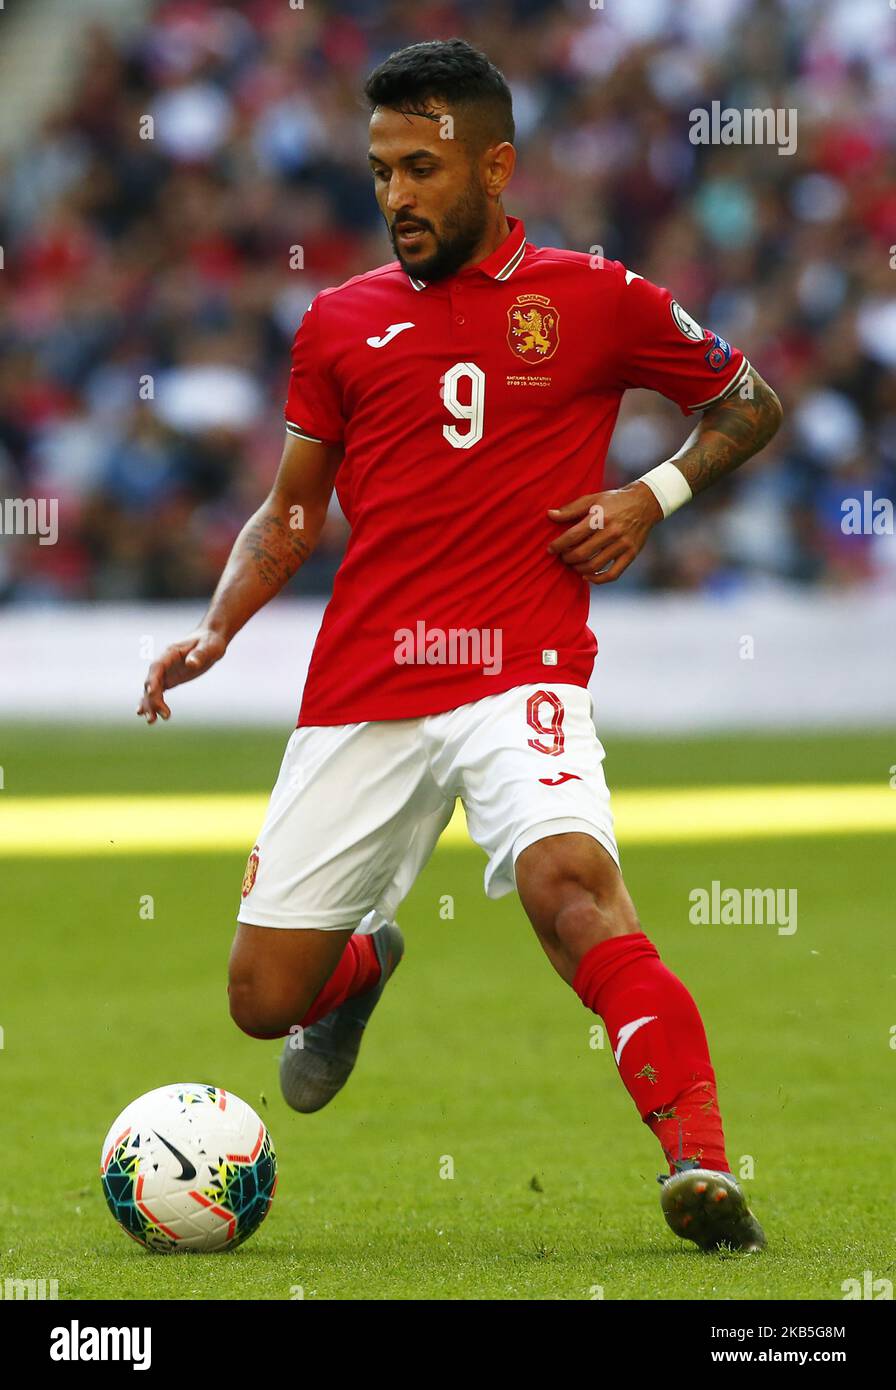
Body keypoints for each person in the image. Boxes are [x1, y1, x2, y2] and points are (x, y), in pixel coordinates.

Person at [139, 38, 782, 1253]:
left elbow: (746, 401)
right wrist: (216, 626)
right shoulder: (337, 323)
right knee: (260, 1001)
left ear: (494, 166)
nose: (395, 196)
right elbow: (289, 514)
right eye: (379, 171)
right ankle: (361, 969)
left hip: (519, 668)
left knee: (570, 892)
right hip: (365, 687)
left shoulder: (598, 297)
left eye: (421, 168)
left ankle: (698, 1161)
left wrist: (651, 497)